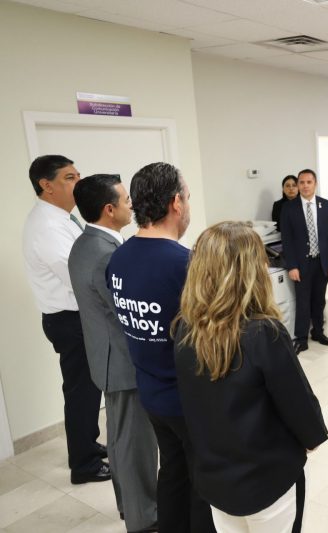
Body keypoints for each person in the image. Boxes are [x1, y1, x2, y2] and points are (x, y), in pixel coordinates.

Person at [174, 221, 328, 533]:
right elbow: (298, 404)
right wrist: (312, 438)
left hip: (215, 479)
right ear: (251, 270)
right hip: (267, 482)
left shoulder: (184, 328)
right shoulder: (264, 333)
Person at [106, 162, 216, 532]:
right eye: (188, 197)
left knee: (172, 469)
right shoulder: (185, 264)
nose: (188, 205)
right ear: (176, 203)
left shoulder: (119, 258)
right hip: (189, 398)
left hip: (151, 393)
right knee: (202, 478)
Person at [68, 174, 158, 532]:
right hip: (121, 362)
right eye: (126, 200)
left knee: (121, 440)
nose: (131, 205)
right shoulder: (106, 255)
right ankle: (145, 517)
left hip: (105, 357)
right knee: (134, 445)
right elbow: (125, 312)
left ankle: (129, 507)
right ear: (109, 209)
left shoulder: (85, 242)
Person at [22, 155, 109, 485]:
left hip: (74, 317)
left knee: (86, 389)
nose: (79, 183)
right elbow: (79, 276)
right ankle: (84, 465)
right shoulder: (47, 226)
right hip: (69, 321)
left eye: (78, 175)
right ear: (46, 185)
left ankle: (87, 446)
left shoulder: (63, 218)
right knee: (81, 392)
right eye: (70, 177)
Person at [280, 169, 328, 354]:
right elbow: (287, 240)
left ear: (315, 184)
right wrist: (292, 266)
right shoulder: (289, 208)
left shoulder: (326, 206)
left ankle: (318, 332)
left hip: (322, 262)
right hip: (300, 264)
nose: (305, 186)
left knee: (319, 300)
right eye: (302, 182)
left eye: (309, 182)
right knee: (303, 302)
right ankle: (301, 338)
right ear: (298, 185)